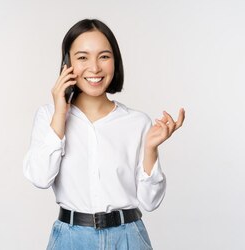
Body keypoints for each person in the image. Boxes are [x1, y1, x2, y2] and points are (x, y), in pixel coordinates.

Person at [23, 19, 185, 250]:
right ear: (67, 64)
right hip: (70, 239)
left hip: (129, 237)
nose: (95, 67)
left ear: (115, 62)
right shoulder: (48, 116)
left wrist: (151, 149)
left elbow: (151, 202)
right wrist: (60, 113)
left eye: (104, 56)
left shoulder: (137, 122)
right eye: (82, 57)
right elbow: (40, 178)